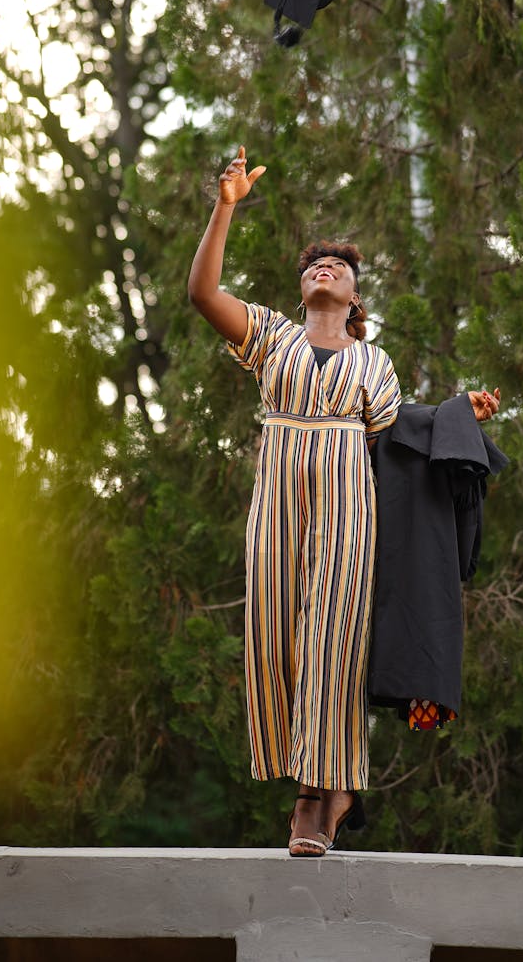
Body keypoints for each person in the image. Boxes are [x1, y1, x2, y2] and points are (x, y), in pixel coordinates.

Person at [188, 146, 500, 856]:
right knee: (277, 635)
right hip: (276, 502)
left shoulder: (374, 364)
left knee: (333, 637)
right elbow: (204, 295)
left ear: (356, 298)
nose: (322, 269)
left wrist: (461, 414)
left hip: (347, 508)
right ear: (302, 293)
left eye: (338, 267)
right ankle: (324, 783)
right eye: (312, 267)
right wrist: (226, 204)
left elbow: (404, 435)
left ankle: (316, 793)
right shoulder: (271, 337)